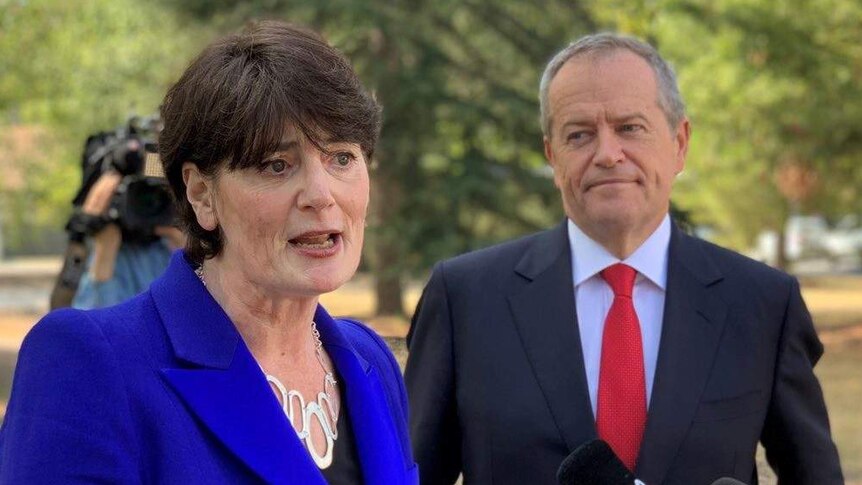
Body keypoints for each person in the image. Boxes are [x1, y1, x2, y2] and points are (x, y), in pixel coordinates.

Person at [405, 33, 843, 485]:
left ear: (679, 142)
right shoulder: (466, 300)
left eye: (630, 128)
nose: (608, 154)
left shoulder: (763, 304)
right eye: (580, 135)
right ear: (553, 157)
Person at [0, 21, 417, 484]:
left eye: (341, 157)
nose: (321, 195)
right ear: (201, 195)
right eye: (276, 165)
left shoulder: (370, 359)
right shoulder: (90, 363)